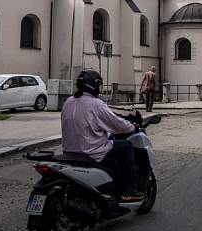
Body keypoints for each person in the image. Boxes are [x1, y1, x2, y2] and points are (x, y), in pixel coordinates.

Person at [61, 69, 144, 202]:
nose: (99, 89)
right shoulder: (96, 104)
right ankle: (129, 191)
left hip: (69, 151)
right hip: (91, 152)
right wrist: (132, 126)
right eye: (99, 85)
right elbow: (116, 124)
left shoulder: (68, 102)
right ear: (92, 85)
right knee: (127, 146)